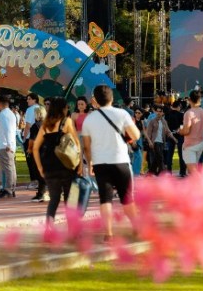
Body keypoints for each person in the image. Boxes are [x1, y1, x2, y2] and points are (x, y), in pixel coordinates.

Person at [81, 85, 141, 240]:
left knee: (105, 199)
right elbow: (136, 135)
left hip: (100, 162)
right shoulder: (122, 114)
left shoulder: (89, 119)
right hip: (121, 160)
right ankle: (136, 226)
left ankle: (108, 233)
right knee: (127, 198)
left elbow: (86, 145)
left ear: (94, 100)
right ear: (112, 98)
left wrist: (91, 162)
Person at [31, 98, 81, 226]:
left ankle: (49, 228)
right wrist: (79, 165)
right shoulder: (67, 121)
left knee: (54, 199)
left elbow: (35, 147)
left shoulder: (45, 124)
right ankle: (73, 229)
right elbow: (77, 144)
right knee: (71, 199)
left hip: (49, 166)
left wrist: (40, 167)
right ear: (63, 109)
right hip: (66, 165)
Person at [179, 90, 203, 177]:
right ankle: (194, 189)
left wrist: (180, 131)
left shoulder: (188, 113)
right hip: (200, 144)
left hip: (189, 145)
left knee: (193, 171)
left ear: (189, 100)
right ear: (200, 99)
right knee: (193, 170)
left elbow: (186, 131)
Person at [0, 94, 19, 198]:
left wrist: (8, 144)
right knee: (10, 167)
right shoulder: (10, 114)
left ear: (0, 103)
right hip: (6, 144)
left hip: (5, 145)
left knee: (8, 168)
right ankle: (10, 188)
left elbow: (8, 130)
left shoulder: (4, 115)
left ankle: (8, 188)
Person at [144, 105, 177, 175]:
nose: (158, 113)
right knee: (160, 157)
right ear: (155, 112)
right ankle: (163, 174)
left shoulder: (164, 121)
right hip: (154, 142)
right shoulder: (152, 121)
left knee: (157, 159)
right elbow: (148, 133)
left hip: (162, 142)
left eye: (160, 111)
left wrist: (174, 139)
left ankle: (150, 173)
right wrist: (149, 142)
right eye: (157, 111)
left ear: (163, 113)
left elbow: (168, 132)